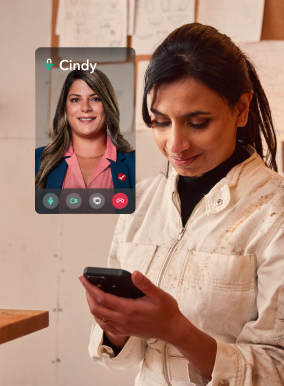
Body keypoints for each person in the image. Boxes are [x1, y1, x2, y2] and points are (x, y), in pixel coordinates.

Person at [79, 23, 284, 385]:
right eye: (160, 122)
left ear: (241, 109)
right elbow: (121, 358)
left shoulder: (274, 212)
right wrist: (115, 326)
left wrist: (177, 330)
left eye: (197, 123)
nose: (175, 145)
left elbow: (275, 369)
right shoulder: (141, 201)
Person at [35, 69, 135, 190]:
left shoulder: (133, 163)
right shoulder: (38, 160)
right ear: (65, 108)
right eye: (75, 100)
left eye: (95, 99)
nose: (85, 108)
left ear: (108, 106)